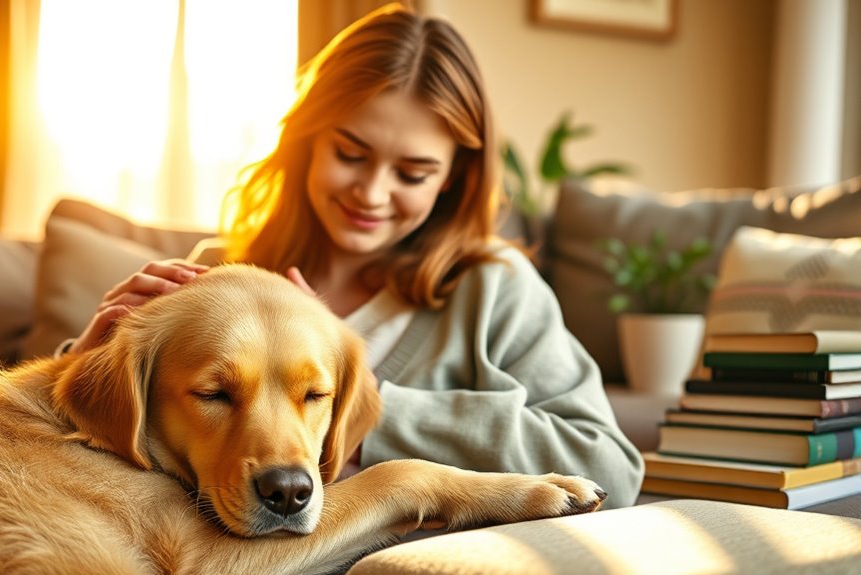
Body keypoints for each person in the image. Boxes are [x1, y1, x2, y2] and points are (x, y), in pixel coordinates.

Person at [66, 3, 643, 508]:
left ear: (452, 179)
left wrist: (355, 409)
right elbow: (96, 457)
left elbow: (609, 467)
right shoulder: (218, 275)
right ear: (307, 141)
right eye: (350, 153)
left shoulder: (492, 288)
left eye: (412, 172)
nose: (370, 193)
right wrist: (88, 358)